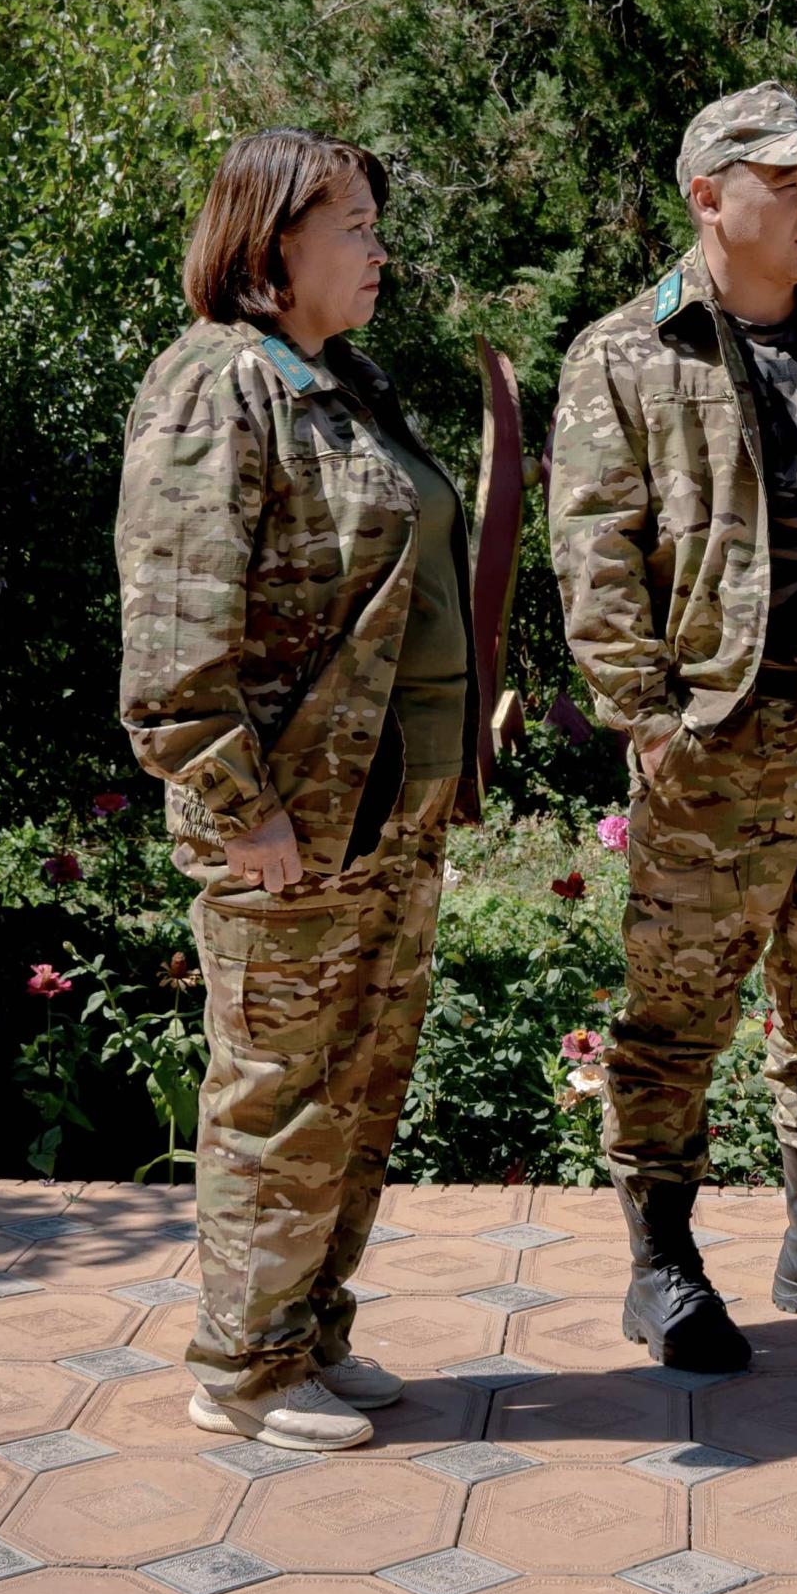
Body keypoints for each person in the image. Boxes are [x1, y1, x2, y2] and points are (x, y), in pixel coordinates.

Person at [548, 83, 797, 1371]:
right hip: (721, 745)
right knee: (677, 1009)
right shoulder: (625, 355)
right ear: (706, 198)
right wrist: (651, 721)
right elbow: (594, 555)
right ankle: (663, 1266)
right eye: (782, 182)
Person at [116, 129, 482, 1453]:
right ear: (273, 245)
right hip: (294, 824)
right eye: (356, 225)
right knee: (277, 1091)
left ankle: (309, 1329)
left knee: (358, 1085)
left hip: (389, 812)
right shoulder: (216, 387)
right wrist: (239, 806)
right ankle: (245, 1370)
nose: (380, 248)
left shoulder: (345, 381)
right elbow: (169, 647)